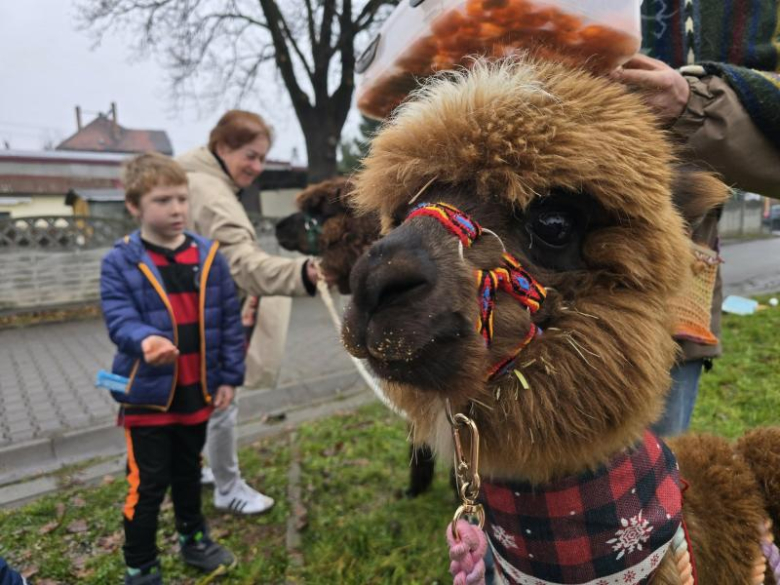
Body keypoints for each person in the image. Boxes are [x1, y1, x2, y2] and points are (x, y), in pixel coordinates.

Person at [613, 0, 780, 435]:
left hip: (665, 294)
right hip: (510, 287)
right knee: (502, 484)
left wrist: (692, 103)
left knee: (644, 486)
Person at [100, 153, 244, 584]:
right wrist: (144, 340)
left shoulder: (209, 255)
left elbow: (228, 323)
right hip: (148, 397)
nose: (177, 209)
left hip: (195, 392)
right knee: (146, 486)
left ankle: (194, 539)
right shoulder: (121, 261)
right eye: (163, 200)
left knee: (188, 474)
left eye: (182, 198)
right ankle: (140, 562)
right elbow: (119, 316)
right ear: (134, 205)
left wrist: (227, 378)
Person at [177, 110, 318, 514]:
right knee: (223, 402)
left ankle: (200, 469)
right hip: (210, 319)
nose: (256, 167)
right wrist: (303, 273)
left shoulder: (197, 179)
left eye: (262, 158)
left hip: (191, 314)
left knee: (201, 399)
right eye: (250, 156)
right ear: (222, 147)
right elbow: (238, 262)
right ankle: (228, 486)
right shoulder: (211, 191)